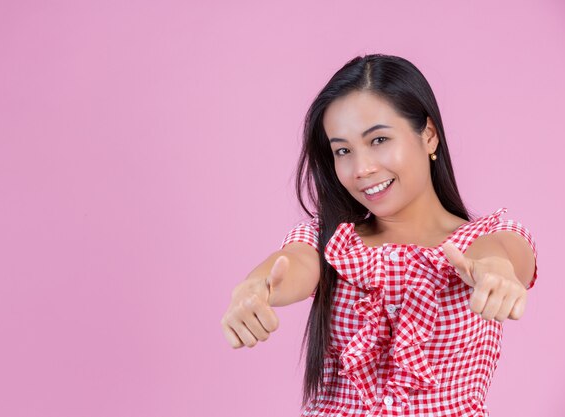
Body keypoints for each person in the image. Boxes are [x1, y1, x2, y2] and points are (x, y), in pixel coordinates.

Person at [220, 54, 538, 416]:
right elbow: (293, 264)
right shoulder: (331, 242)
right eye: (343, 150)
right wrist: (255, 288)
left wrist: (495, 268)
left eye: (378, 140)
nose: (361, 169)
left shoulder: (489, 237)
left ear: (429, 135)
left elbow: (501, 254)